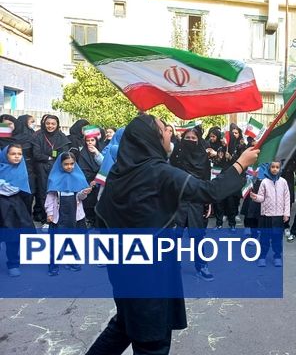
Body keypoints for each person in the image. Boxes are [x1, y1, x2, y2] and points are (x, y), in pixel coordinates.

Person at [85, 114, 259, 355]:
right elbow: (210, 191)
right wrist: (241, 163)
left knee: (124, 326)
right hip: (152, 277)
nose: (170, 132)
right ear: (150, 138)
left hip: (123, 271)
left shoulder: (119, 172)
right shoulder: (159, 172)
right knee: (152, 342)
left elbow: (101, 215)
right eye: (164, 129)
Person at [169, 127, 214, 281]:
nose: (190, 141)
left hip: (196, 201)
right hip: (177, 201)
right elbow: (169, 176)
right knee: (174, 237)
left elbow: (207, 181)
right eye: (187, 138)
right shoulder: (176, 155)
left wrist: (208, 202)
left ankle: (202, 266)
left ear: (199, 140)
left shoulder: (203, 157)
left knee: (198, 236)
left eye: (193, 138)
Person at [45, 152, 92, 276]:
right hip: (59, 216)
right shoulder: (55, 178)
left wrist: (85, 192)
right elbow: (50, 198)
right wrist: (49, 213)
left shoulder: (78, 177)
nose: (69, 166)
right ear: (60, 164)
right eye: (66, 164)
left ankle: (71, 260)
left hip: (74, 215)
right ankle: (53, 264)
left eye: (72, 164)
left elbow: (80, 197)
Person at [0, 144, 34, 277]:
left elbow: (25, 192)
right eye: (13, 154)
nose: (16, 157)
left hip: (14, 207)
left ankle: (13, 263)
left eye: (19, 154)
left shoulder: (21, 169)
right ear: (5, 155)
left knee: (13, 237)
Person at [31, 115, 71, 224]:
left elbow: (64, 154)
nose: (50, 126)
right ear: (44, 123)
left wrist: (51, 158)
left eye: (53, 124)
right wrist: (50, 157)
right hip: (41, 169)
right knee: (43, 192)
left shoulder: (61, 137)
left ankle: (57, 217)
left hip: (57, 169)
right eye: (48, 123)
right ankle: (45, 218)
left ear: (57, 124)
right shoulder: (38, 135)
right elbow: (36, 154)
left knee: (56, 192)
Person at [251, 160, 290, 267]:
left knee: (277, 238)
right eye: (273, 167)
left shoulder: (283, 182)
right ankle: (262, 257)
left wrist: (286, 213)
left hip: (278, 216)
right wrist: (256, 198)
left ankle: (277, 256)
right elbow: (261, 197)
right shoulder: (264, 182)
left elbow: (287, 198)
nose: (275, 169)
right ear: (269, 168)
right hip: (266, 216)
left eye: (277, 167)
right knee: (264, 237)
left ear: (280, 169)